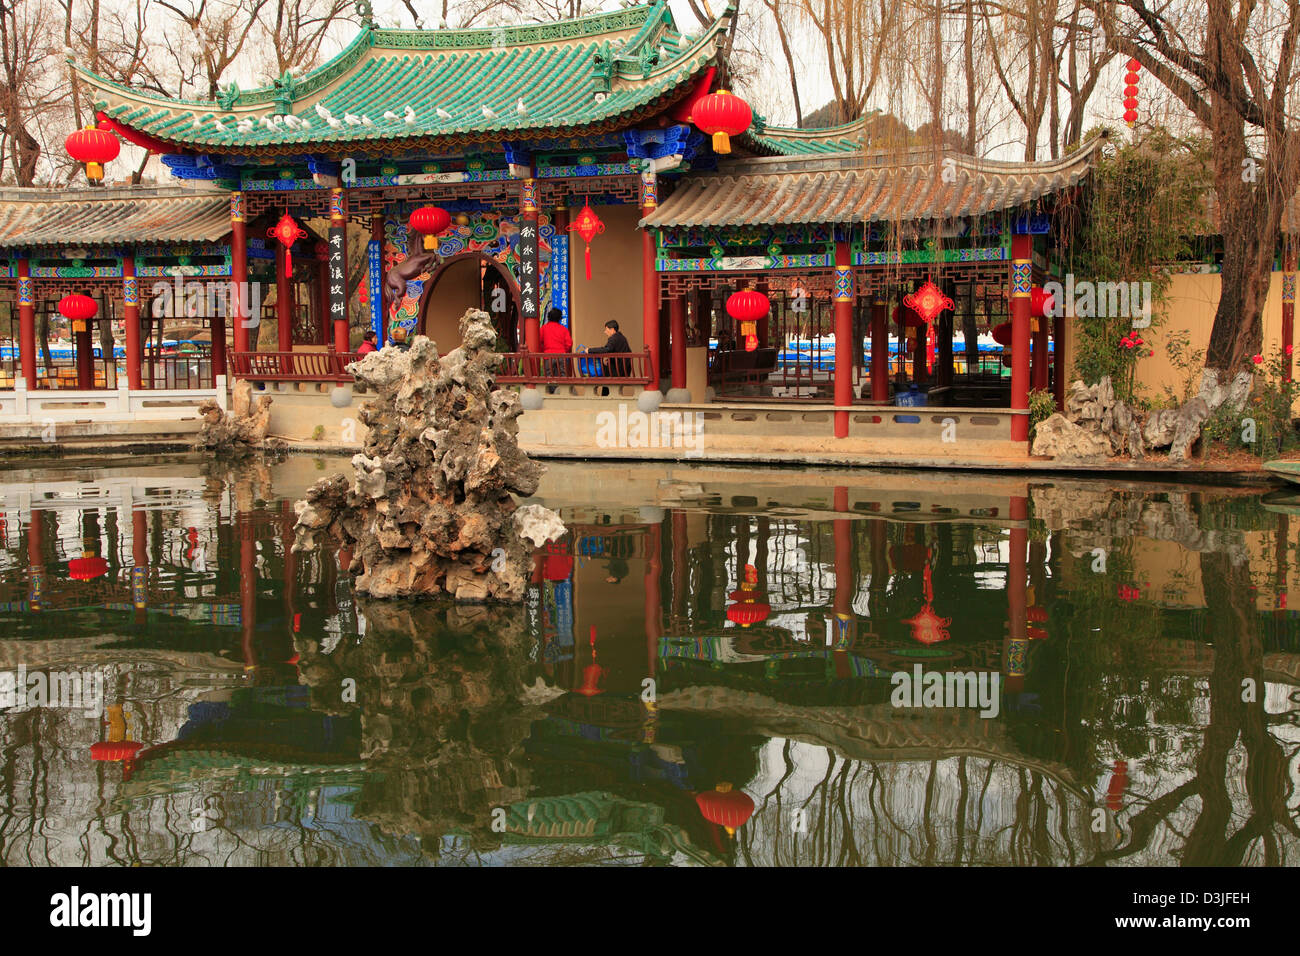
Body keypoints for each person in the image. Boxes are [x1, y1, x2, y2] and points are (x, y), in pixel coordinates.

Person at [539, 308, 572, 385]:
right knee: (563, 376)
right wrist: (564, 351)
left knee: (549, 377)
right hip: (561, 355)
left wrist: (543, 351)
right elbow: (569, 343)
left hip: (548, 355)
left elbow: (539, 342)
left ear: (549, 317)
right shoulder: (564, 329)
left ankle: (551, 393)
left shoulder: (544, 328)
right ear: (560, 318)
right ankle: (562, 393)